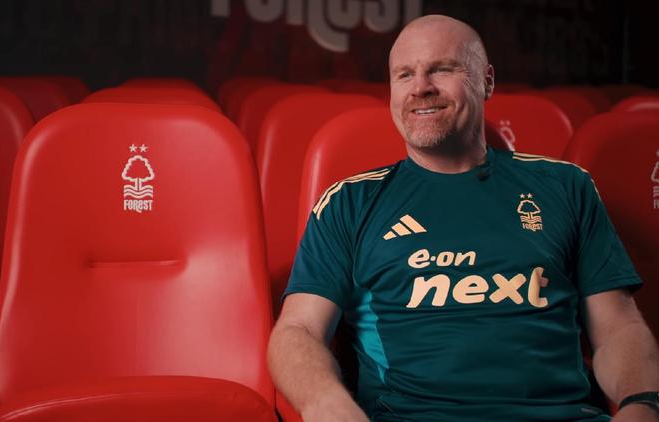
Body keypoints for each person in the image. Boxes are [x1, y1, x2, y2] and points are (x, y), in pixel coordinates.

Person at [268, 14, 659, 422]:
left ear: (486, 81)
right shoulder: (348, 202)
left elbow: (617, 327)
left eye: (441, 69)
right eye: (404, 74)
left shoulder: (565, 187)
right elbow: (299, 330)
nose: (420, 87)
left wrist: (643, 402)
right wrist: (326, 403)